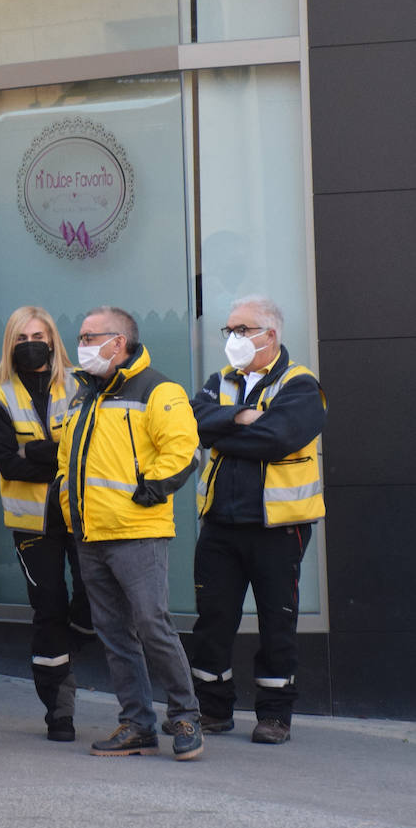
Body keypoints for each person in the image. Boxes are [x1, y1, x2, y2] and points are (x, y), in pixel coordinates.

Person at [56, 306, 204, 761]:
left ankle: (185, 716)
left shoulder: (158, 389)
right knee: (113, 633)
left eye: (89, 337)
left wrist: (149, 489)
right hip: (90, 534)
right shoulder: (83, 395)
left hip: (137, 531)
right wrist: (68, 505)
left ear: (118, 342)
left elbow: (183, 450)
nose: (80, 346)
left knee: (152, 624)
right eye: (80, 338)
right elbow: (67, 462)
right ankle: (136, 723)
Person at [186, 296, 325, 745]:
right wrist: (242, 417)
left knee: (276, 623)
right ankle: (213, 710)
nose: (233, 339)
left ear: (271, 335)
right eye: (229, 331)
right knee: (212, 621)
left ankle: (274, 716)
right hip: (220, 526)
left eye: (242, 330)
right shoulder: (221, 381)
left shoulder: (301, 385)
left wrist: (222, 436)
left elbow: (277, 437)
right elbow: (194, 421)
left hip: (277, 528)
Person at [0, 306, 95, 742]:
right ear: (11, 344)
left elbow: (87, 453)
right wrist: (53, 454)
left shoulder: (82, 386)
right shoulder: (0, 396)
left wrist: (38, 451)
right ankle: (59, 711)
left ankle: (71, 645)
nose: (31, 342)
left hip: (82, 515)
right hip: (33, 524)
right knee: (48, 609)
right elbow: (9, 463)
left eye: (39, 334)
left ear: (53, 339)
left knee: (93, 600)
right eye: (21, 336)